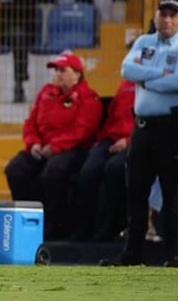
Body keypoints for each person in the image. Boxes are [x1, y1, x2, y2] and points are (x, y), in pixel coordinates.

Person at [103, 0, 178, 267]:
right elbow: (126, 70)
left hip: (172, 127)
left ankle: (174, 254)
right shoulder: (144, 42)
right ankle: (132, 254)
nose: (167, 20)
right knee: (136, 191)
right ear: (155, 17)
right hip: (143, 127)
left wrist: (144, 78)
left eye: (172, 15)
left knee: (172, 192)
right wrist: (158, 74)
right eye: (163, 14)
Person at [4, 53, 102, 240]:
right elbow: (31, 123)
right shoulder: (46, 93)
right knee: (15, 169)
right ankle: (26, 220)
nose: (57, 74)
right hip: (42, 147)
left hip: (73, 149)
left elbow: (82, 131)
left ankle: (53, 224)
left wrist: (55, 146)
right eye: (56, 70)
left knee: (53, 172)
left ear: (77, 74)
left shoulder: (88, 98)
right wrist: (34, 144)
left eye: (62, 70)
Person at [74, 79, 134, 241]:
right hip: (111, 137)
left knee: (114, 168)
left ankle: (109, 228)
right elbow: (112, 116)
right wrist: (102, 140)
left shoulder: (155, 86)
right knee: (89, 170)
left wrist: (129, 141)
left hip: (136, 141)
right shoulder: (125, 85)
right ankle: (85, 229)